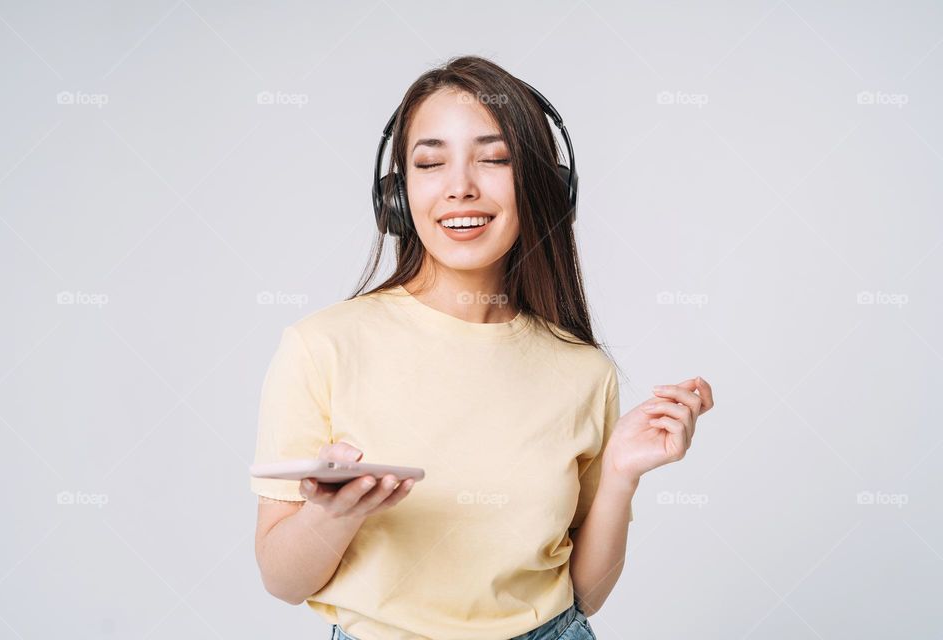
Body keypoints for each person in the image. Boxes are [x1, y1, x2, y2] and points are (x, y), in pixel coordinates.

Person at [251, 55, 714, 640]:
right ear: (396, 194)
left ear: (544, 187)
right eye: (430, 162)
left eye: (494, 159)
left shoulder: (584, 370)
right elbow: (282, 581)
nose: (461, 187)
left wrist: (622, 473)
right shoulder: (320, 347)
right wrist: (330, 515)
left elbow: (585, 597)